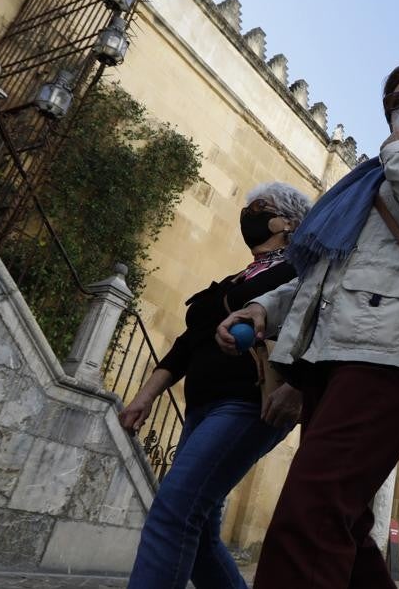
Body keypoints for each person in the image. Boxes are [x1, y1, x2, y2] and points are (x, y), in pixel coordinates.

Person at [216, 64, 399, 588]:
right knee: (342, 519)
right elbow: (325, 273)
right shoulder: (364, 186)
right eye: (393, 102)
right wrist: (267, 309)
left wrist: (397, 150)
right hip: (332, 356)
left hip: (394, 354)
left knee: (310, 514)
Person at [121, 181, 311, 589]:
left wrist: (298, 387)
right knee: (201, 532)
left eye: (261, 207)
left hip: (248, 403)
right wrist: (145, 396)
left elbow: (319, 328)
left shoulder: (300, 272)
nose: (249, 214)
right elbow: (186, 345)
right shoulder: (233, 280)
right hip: (200, 409)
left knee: (175, 511)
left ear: (289, 223)